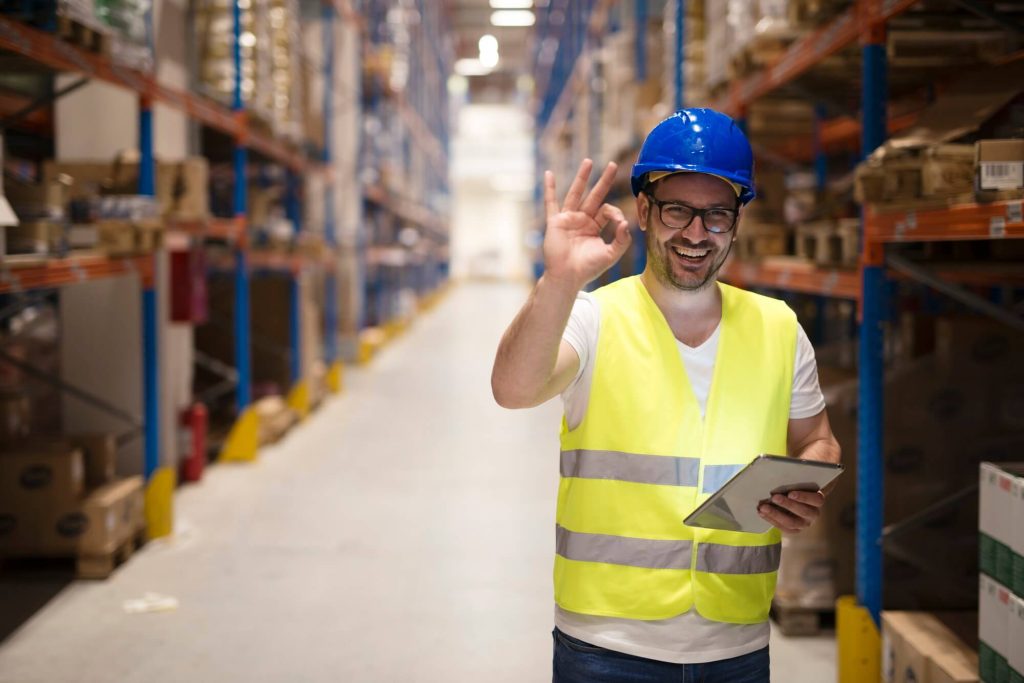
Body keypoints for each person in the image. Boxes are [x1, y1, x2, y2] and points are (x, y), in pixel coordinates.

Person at [490, 108, 842, 683]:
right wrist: (559, 280)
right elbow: (513, 389)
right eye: (678, 210)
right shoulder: (592, 317)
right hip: (607, 646)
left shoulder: (779, 328)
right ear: (646, 211)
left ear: (737, 220)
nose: (696, 234)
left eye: (717, 216)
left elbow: (818, 439)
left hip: (737, 643)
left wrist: (808, 479)